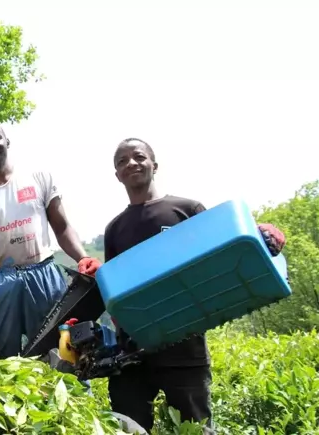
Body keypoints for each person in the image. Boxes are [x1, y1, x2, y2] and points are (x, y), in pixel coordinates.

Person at [103, 138, 286, 433]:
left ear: (154, 165)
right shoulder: (114, 228)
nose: (131, 163)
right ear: (117, 175)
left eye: (138, 157)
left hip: (185, 351)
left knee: (196, 429)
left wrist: (264, 235)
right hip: (132, 354)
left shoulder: (186, 209)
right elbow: (113, 293)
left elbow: (225, 246)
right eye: (122, 161)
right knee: (127, 429)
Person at [0, 122, 102, 360]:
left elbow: (62, 226)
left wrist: (83, 257)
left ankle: (67, 396)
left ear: (7, 142)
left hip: (42, 273)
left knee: (60, 350)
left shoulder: (39, 179)